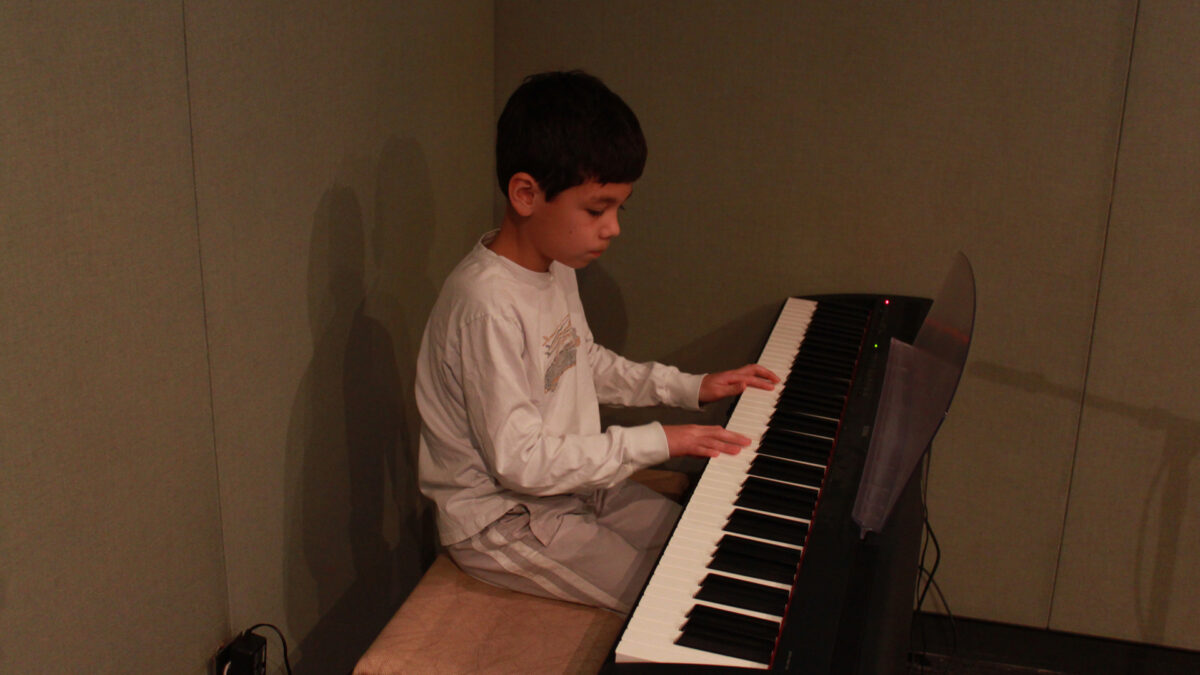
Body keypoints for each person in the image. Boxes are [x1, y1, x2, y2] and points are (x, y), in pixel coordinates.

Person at [415, 70, 778, 612]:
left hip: (566, 485)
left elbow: (581, 361)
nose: (613, 229)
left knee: (704, 549)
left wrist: (692, 387)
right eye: (596, 209)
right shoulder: (485, 304)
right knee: (680, 596)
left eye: (618, 209)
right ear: (525, 194)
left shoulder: (552, 263)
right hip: (503, 519)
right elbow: (520, 461)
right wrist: (662, 441)